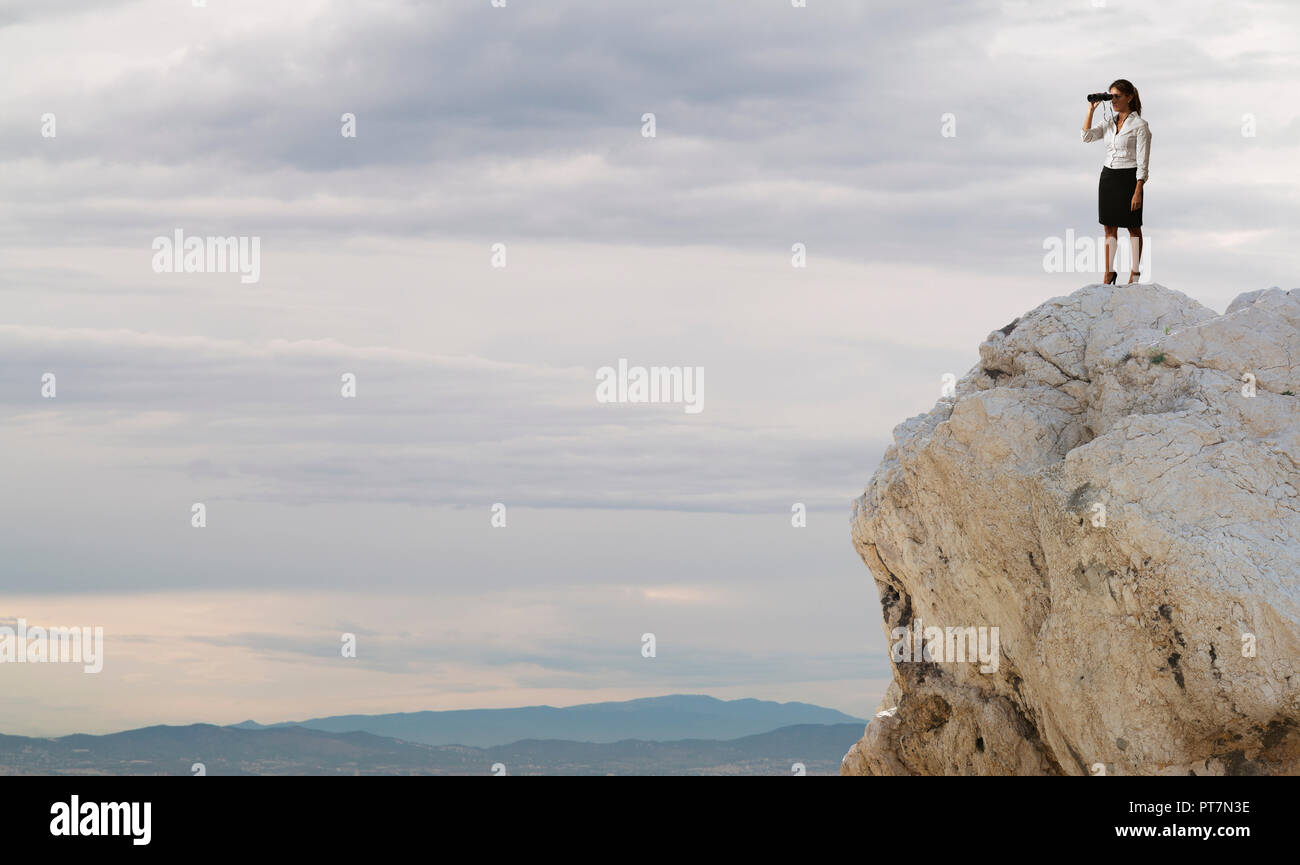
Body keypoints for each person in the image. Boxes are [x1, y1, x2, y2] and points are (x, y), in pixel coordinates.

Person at [1081, 79, 1150, 285]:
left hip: (1129, 178)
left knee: (1133, 227)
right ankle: (1108, 273)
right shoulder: (1109, 122)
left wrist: (1138, 189)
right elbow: (1086, 137)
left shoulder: (1140, 126)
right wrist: (1091, 110)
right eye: (1111, 96)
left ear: (1129, 97)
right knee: (1109, 228)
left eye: (1117, 96)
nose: (1113, 100)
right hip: (1108, 177)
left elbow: (1143, 161)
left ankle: (1135, 273)